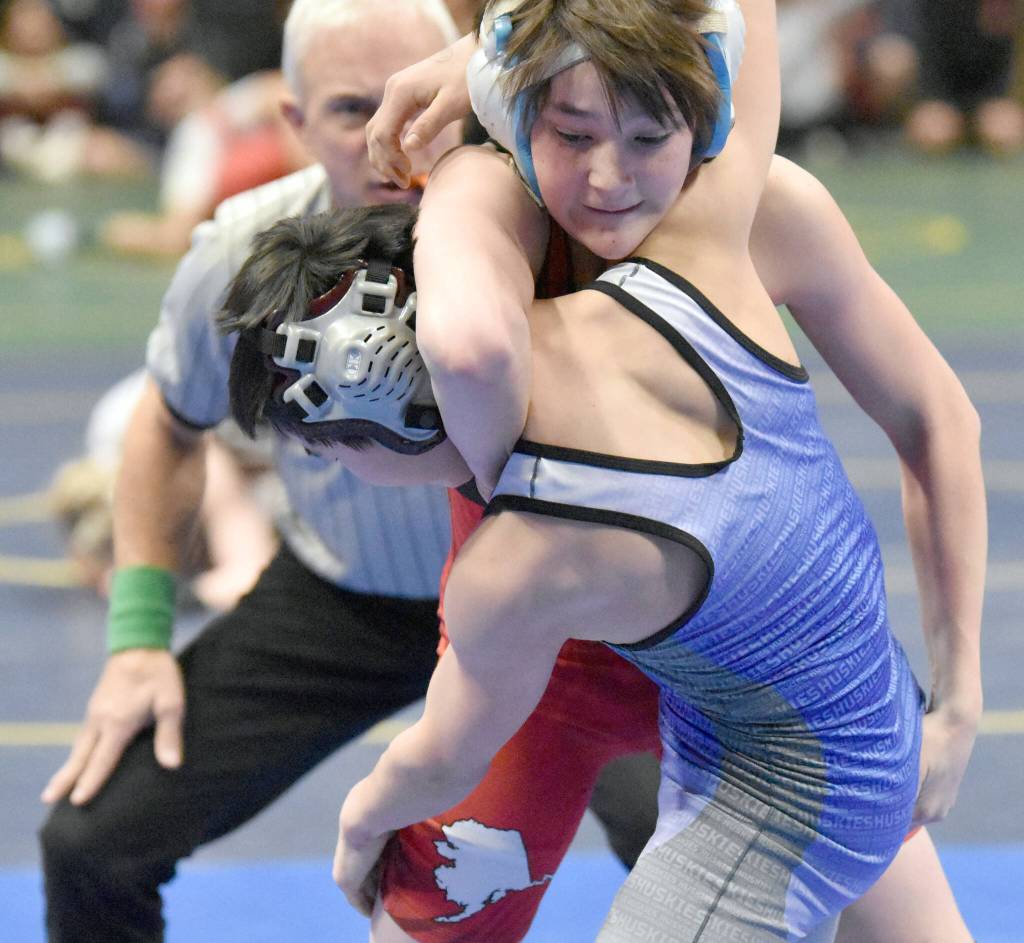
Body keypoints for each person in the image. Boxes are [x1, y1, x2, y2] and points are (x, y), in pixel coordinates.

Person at [322, 1, 983, 939]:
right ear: (524, 114)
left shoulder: (745, 211)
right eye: (573, 132)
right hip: (536, 672)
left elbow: (938, 418)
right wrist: (488, 82)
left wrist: (960, 700)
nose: (607, 178)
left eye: (643, 135)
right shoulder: (493, 210)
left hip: (755, 681)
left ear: (700, 117)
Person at [34, 4, 516, 942]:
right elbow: (167, 426)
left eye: (419, 102)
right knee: (92, 841)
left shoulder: (543, 223)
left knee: (700, 810)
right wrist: (137, 638)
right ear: (290, 123)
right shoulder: (242, 252)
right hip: (344, 597)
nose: (392, 139)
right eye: (350, 111)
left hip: (552, 603)